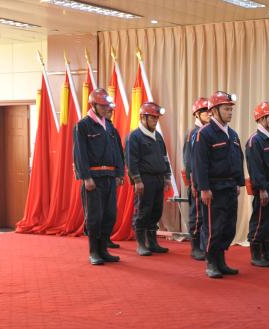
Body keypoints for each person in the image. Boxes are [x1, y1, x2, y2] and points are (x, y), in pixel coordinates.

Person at [191, 91, 245, 280]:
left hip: (230, 187)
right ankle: (211, 262)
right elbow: (199, 164)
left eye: (231, 109)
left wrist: (238, 182)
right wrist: (204, 188)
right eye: (226, 109)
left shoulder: (233, 134)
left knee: (228, 226)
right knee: (213, 227)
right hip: (213, 189)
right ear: (214, 111)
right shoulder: (205, 134)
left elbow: (238, 159)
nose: (230, 112)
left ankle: (221, 260)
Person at [74, 88, 125, 266]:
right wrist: (85, 177)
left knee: (110, 214)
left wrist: (119, 173)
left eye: (107, 106)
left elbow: (118, 152)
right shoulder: (83, 126)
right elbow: (80, 154)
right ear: (93, 105)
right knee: (95, 216)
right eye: (102, 106)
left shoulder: (109, 126)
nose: (106, 109)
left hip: (109, 176)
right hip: (94, 178)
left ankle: (104, 249)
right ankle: (94, 252)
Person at [126, 101, 172, 256]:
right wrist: (137, 180)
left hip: (159, 179)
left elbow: (164, 158)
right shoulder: (134, 136)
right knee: (143, 211)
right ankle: (141, 244)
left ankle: (152, 243)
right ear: (142, 117)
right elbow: (131, 161)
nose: (155, 121)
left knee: (156, 210)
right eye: (152, 117)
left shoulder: (158, 136)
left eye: (156, 118)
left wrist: (167, 177)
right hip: (144, 180)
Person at [245, 101, 269, 268]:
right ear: (262, 119)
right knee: (260, 221)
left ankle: (267, 252)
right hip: (265, 188)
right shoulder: (255, 141)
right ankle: (256, 254)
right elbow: (255, 168)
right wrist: (261, 189)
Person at [183, 97, 210, 261]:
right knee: (197, 215)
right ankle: (195, 247)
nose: (208, 114)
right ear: (197, 114)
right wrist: (193, 183)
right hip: (196, 182)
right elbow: (189, 160)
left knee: (206, 216)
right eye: (204, 111)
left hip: (206, 181)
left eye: (209, 111)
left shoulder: (207, 132)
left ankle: (203, 244)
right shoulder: (193, 133)